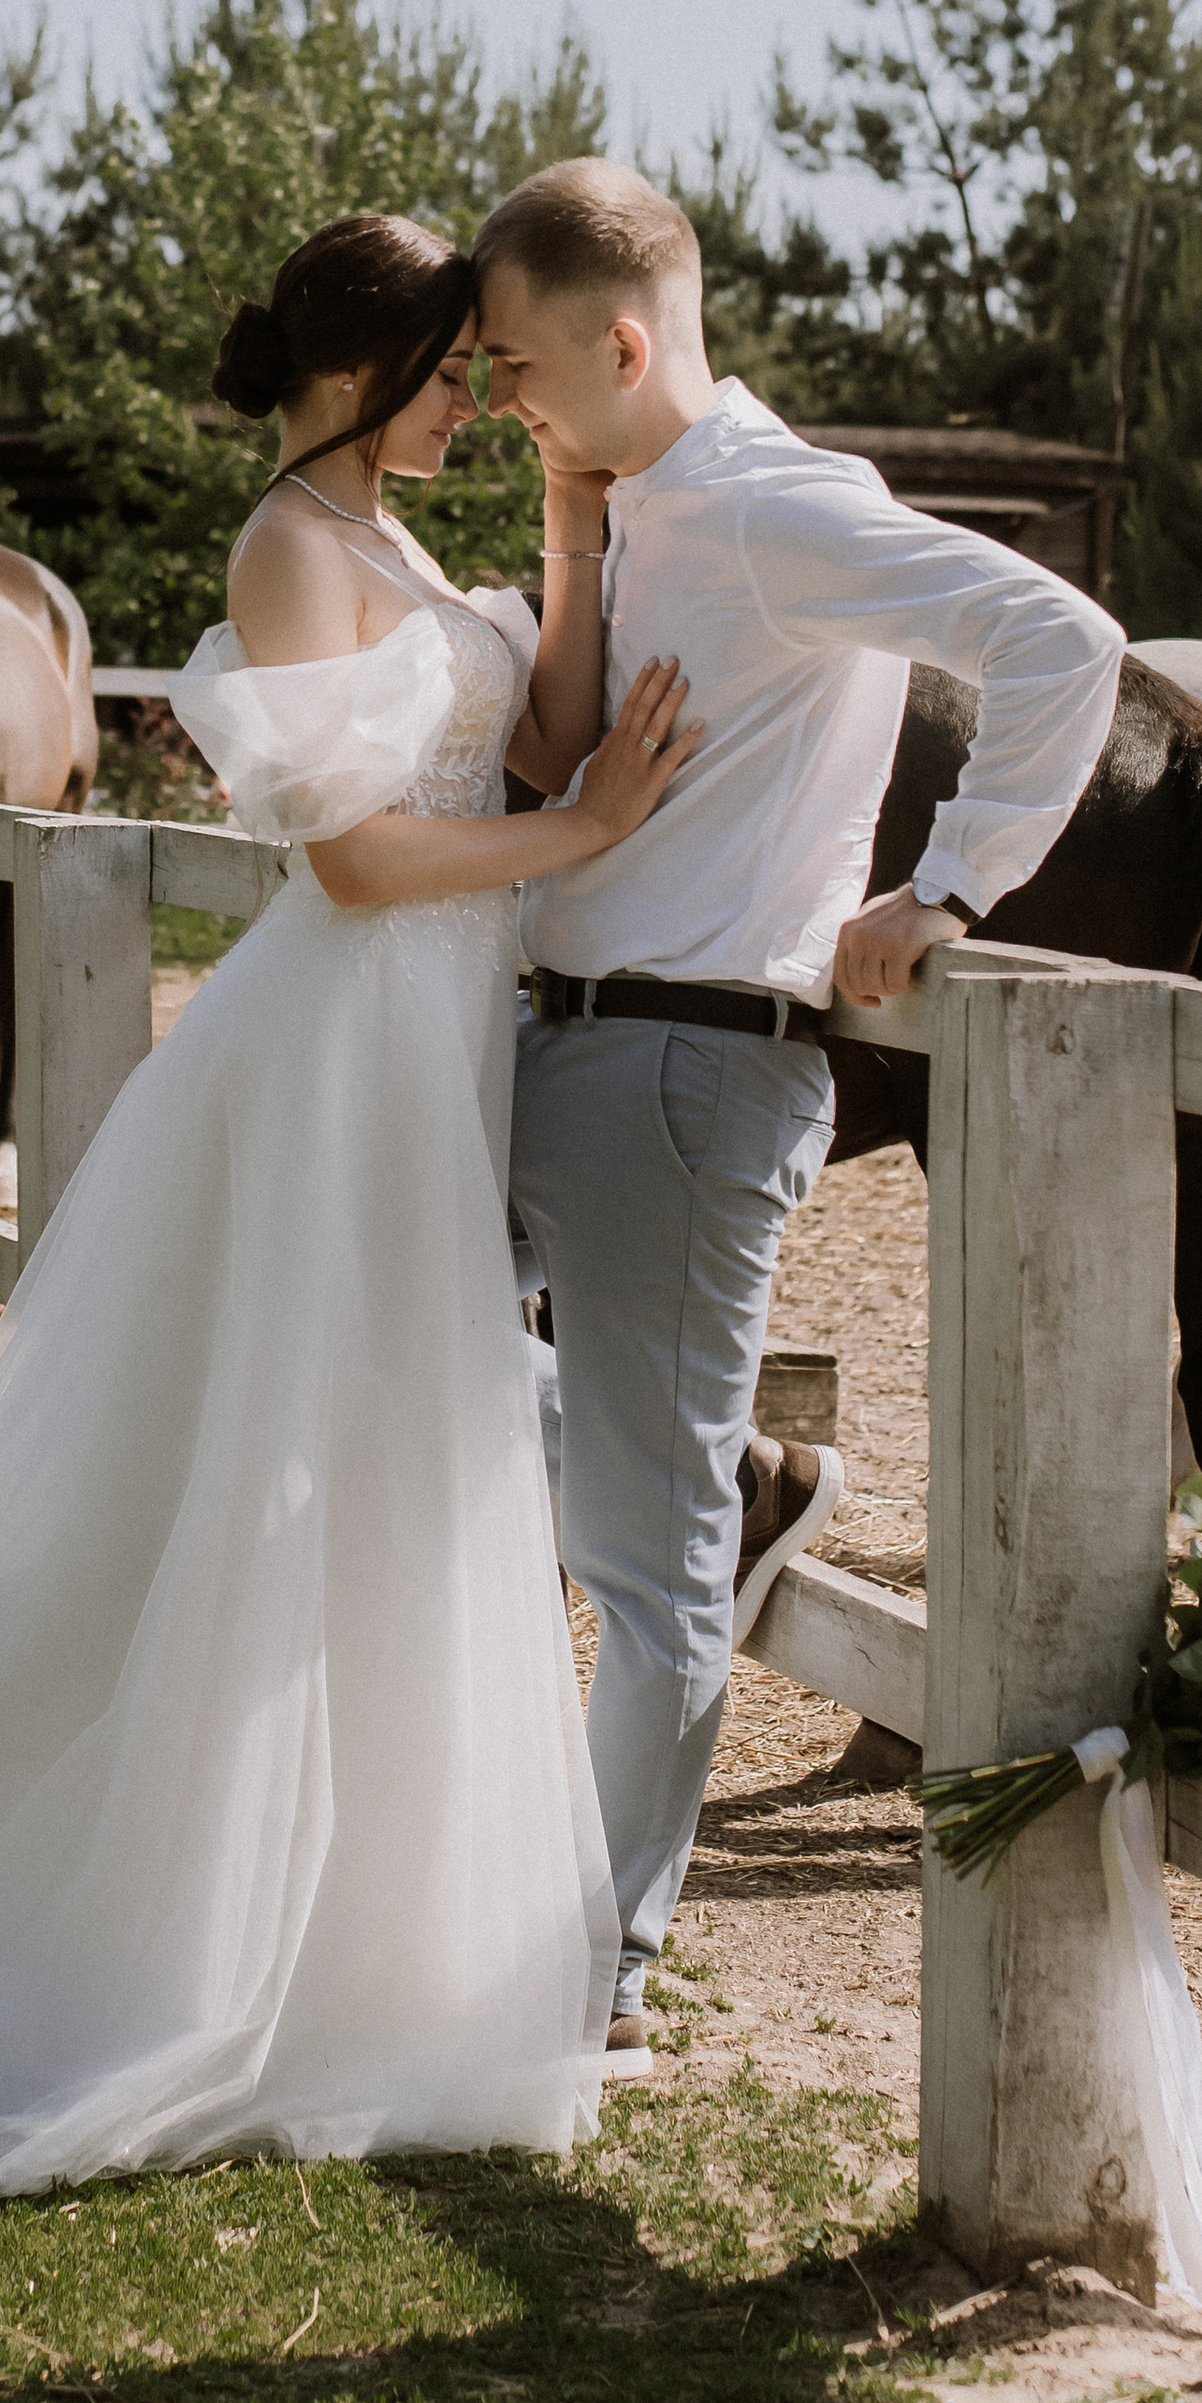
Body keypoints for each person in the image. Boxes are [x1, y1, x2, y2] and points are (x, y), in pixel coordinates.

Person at [0, 210, 699, 2188]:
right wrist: (578, 833)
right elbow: (347, 859)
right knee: (235, 1489)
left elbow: (529, 723)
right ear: (351, 374)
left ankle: (383, 1953)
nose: (466, 404)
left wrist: (574, 534)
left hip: (433, 1059)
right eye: (444, 378)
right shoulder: (284, 548)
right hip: (332, 1060)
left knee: (399, 1487)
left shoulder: (410, 539)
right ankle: (55, 1919)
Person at [472, 159, 1126, 2066]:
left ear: (619, 337)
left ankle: (596, 1965)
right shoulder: (636, 500)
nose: (503, 395)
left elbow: (1059, 640)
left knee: (647, 1566)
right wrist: (568, 524)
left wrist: (951, 888)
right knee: (385, 1359)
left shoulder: (771, 505)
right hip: (558, 1042)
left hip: (685, 1065)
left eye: (516, 365)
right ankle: (747, 1481)